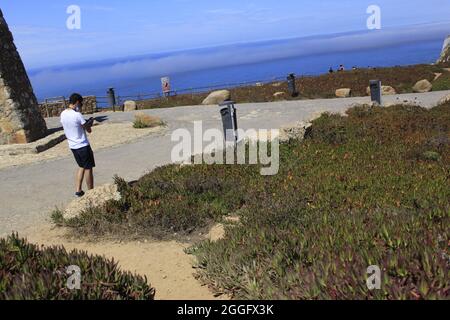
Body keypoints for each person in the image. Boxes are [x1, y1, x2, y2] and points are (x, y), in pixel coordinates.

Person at [60, 93, 95, 197]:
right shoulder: (77, 115)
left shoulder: (63, 114)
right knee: (88, 168)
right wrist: (89, 123)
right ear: (77, 102)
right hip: (83, 145)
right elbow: (89, 130)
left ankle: (78, 190)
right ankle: (91, 192)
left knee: (81, 167)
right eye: (81, 104)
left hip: (73, 146)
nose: (81, 106)